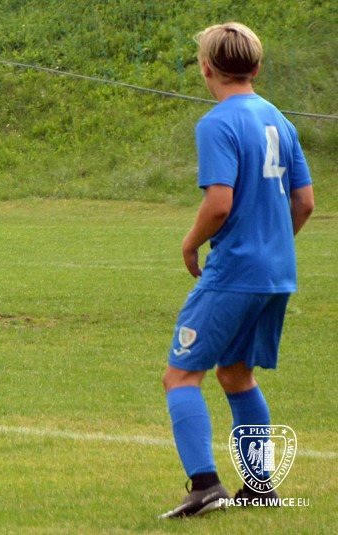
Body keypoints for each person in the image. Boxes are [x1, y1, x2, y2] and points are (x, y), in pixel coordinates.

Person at [158, 22, 315, 519]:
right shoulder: (280, 120)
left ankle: (205, 485)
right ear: (257, 66)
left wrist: (190, 243)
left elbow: (219, 204)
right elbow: (305, 202)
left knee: (181, 375)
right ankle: (259, 484)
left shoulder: (217, 123)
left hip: (234, 272)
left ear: (206, 68)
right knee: (235, 373)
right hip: (277, 273)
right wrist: (271, 246)